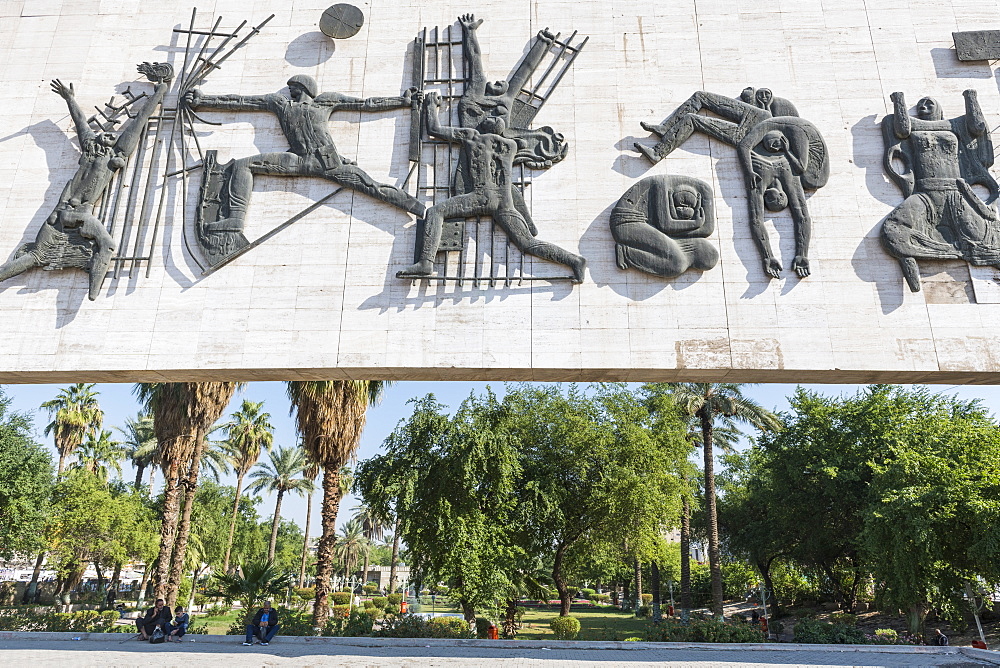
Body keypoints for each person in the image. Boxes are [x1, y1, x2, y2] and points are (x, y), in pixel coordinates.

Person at [184, 75, 424, 251]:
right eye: (289, 88)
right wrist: (204, 100)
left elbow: (366, 104)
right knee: (243, 165)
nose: (290, 91)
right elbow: (242, 101)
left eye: (294, 87)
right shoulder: (279, 104)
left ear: (305, 88)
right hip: (297, 160)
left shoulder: (326, 102)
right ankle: (235, 220)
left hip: (328, 162)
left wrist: (402, 101)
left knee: (372, 187)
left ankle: (418, 208)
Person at [0, 62, 172, 300]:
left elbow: (140, 121)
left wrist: (160, 92)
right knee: (42, 255)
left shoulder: (114, 154)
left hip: (73, 215)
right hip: (70, 214)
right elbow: (82, 123)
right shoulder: (92, 149)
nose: (111, 135)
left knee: (98, 246)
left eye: (115, 136)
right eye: (108, 134)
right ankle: (92, 284)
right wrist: (70, 98)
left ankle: (92, 288)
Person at [397, 92, 586, 282]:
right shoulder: (511, 146)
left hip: (481, 197)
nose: (487, 117)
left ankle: (426, 263)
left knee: (435, 212)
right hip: (505, 204)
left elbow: (434, 129)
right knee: (528, 243)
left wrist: (431, 105)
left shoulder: (473, 136)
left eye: (489, 117)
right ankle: (574, 261)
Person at [880, 90, 1000, 292]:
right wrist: (899, 99)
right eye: (920, 106)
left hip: (955, 194)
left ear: (939, 108)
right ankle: (914, 261)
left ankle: (966, 254)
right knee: (892, 230)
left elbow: (977, 127)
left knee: (989, 237)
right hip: (925, 194)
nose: (923, 108)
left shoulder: (957, 126)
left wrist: (970, 97)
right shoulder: (913, 127)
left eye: (928, 104)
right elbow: (901, 130)